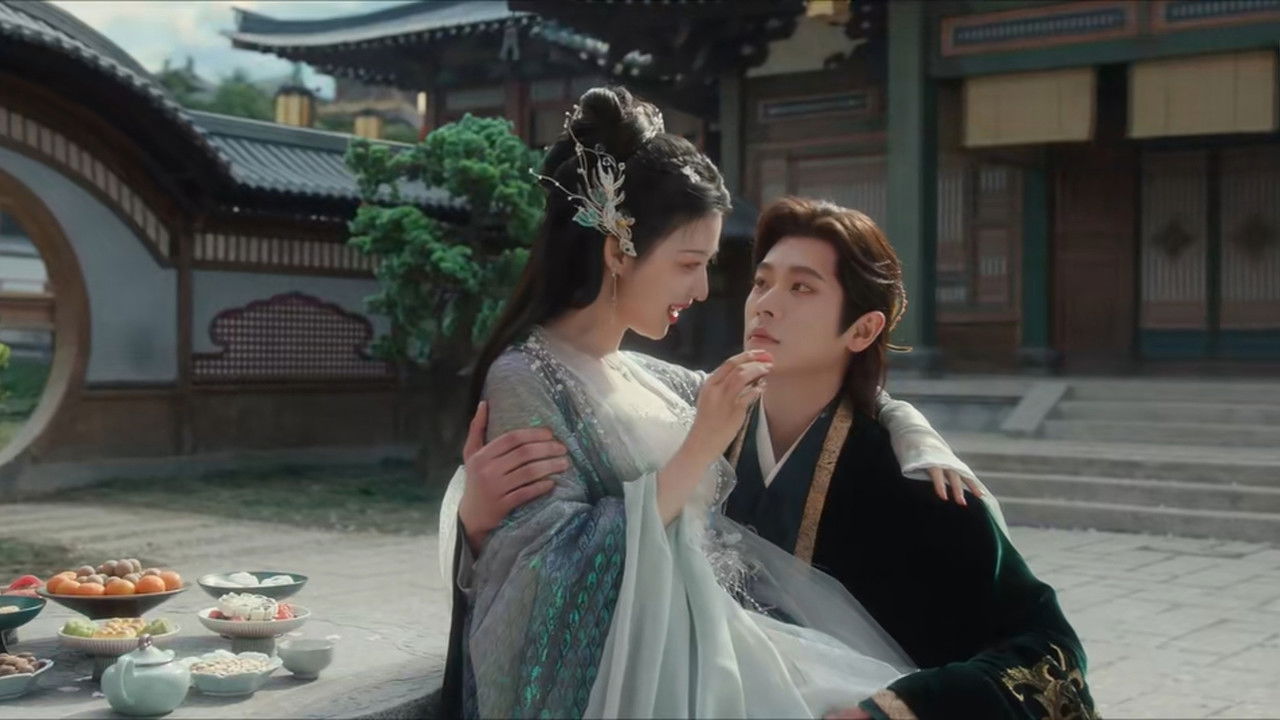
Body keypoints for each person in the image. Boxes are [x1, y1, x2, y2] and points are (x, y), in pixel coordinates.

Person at [452, 194, 1097, 719]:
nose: (765, 302)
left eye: (802, 288)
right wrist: (478, 527)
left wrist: (896, 709)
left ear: (863, 329)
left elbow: (1049, 649)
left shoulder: (913, 483)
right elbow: (571, 550)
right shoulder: (692, 425)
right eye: (762, 281)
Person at [441, 85, 940, 719]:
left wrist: (912, 430)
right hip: (641, 675)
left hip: (712, 642)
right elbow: (545, 576)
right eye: (687, 264)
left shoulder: (654, 378)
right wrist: (700, 445)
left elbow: (796, 386)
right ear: (617, 251)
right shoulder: (525, 376)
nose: (703, 289)